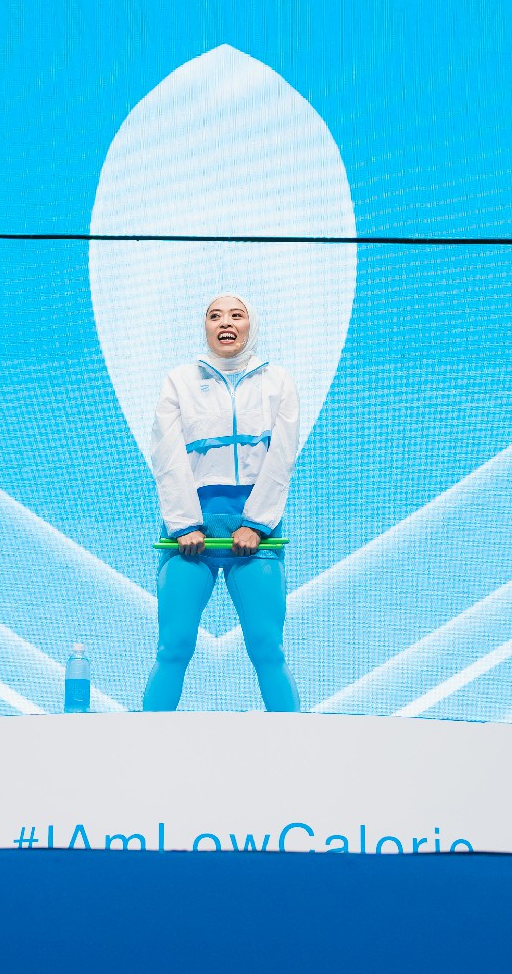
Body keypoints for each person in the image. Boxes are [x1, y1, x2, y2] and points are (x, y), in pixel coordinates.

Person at [142, 293, 301, 711]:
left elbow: (282, 456)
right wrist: (184, 525)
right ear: (205, 327)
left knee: (268, 649)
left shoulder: (278, 381)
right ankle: (144, 745)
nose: (225, 322)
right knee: (173, 647)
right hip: (189, 534)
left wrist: (257, 525)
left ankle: (297, 746)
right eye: (215, 316)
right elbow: (166, 455)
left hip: (257, 535)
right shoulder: (179, 380)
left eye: (236, 315)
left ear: (251, 324)